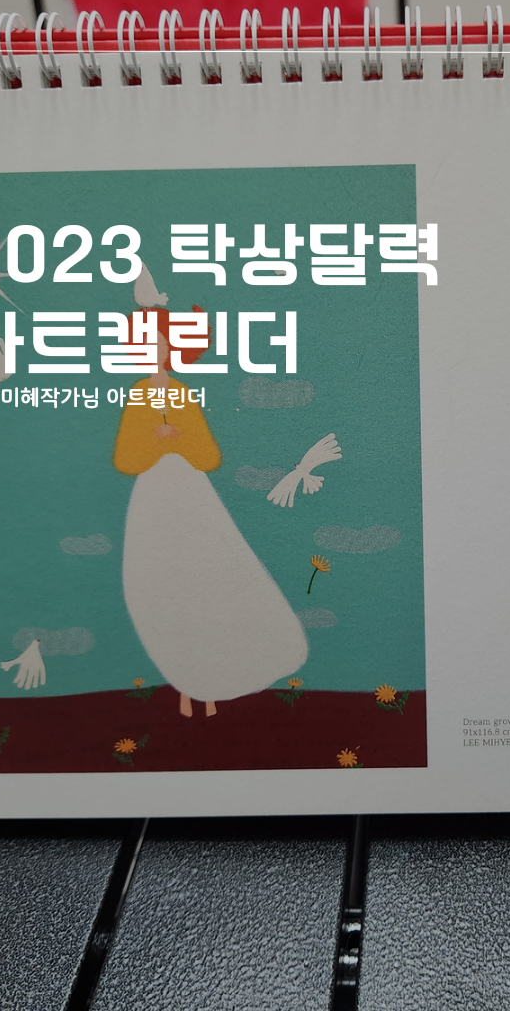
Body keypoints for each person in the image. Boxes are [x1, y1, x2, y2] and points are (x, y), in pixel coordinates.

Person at [113, 307, 308, 717]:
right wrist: (155, 439)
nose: (152, 350)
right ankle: (188, 685)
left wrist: (177, 438)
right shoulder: (137, 396)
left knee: (209, 581)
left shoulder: (184, 396)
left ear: (173, 348)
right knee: (166, 587)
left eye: (159, 343)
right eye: (143, 343)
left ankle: (221, 679)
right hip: (154, 501)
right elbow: (125, 459)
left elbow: (209, 456)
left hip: (190, 497)